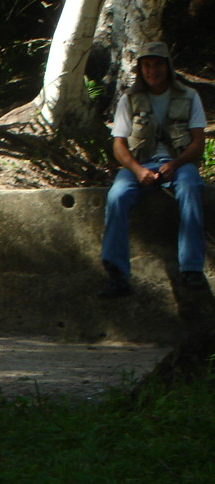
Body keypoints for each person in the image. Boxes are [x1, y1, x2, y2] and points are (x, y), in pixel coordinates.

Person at [99, 41, 208, 298]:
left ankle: (191, 269)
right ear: (140, 69)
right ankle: (117, 273)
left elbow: (197, 143)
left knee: (191, 187)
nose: (152, 70)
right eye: (147, 65)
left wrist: (174, 164)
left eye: (158, 64)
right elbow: (119, 146)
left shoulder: (189, 96)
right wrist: (137, 171)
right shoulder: (129, 99)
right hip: (140, 166)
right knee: (117, 196)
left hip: (178, 164)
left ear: (168, 67)